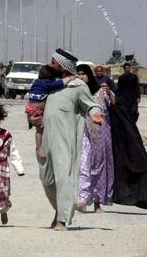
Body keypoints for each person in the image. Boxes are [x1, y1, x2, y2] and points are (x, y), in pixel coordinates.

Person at [30, 49, 104, 231]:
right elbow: (35, 106)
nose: (50, 65)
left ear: (63, 66)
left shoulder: (77, 86)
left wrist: (95, 114)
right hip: (45, 139)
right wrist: (33, 119)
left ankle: (62, 219)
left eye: (53, 62)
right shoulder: (50, 84)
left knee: (64, 178)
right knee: (47, 180)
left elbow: (91, 104)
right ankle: (60, 209)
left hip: (64, 139)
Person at [76, 64, 115, 213]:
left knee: (100, 166)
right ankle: (83, 200)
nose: (81, 77)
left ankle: (98, 201)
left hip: (101, 133)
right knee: (84, 164)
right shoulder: (76, 92)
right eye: (78, 74)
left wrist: (110, 93)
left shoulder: (100, 92)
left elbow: (114, 104)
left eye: (83, 74)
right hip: (83, 133)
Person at [26, 65, 66, 158]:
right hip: (38, 111)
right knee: (40, 130)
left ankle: (39, 147)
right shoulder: (48, 83)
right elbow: (60, 83)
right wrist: (69, 79)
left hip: (31, 108)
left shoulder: (37, 82)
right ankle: (39, 147)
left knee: (39, 131)